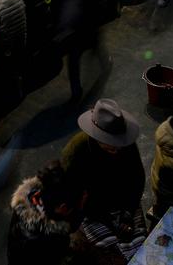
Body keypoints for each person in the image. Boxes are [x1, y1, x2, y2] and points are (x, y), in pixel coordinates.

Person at [62, 99, 147, 263]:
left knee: (139, 246)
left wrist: (127, 214)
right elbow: (75, 196)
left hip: (123, 201)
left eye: (118, 145)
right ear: (95, 136)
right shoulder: (75, 152)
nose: (116, 149)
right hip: (92, 209)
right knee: (107, 254)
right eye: (110, 145)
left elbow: (137, 179)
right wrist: (105, 219)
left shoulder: (126, 144)